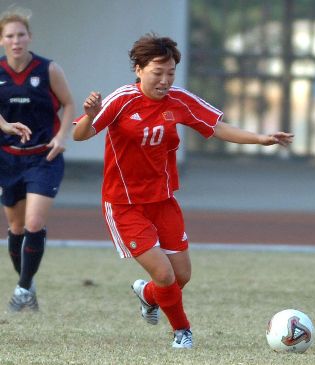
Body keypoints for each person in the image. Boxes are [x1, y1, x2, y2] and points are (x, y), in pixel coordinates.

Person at [73, 33, 293, 349]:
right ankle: (182, 332)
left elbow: (215, 127)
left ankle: (147, 294)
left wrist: (260, 139)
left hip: (163, 201)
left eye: (170, 73)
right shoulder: (121, 99)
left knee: (180, 277)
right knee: (164, 274)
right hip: (125, 204)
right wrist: (91, 115)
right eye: (157, 73)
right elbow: (81, 134)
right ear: (138, 69)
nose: (164, 80)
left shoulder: (179, 99)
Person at [0, 7, 75, 311]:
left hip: (45, 157)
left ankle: (20, 290)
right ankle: (28, 284)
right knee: (16, 229)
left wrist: (62, 137)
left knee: (33, 222)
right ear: (2, 40)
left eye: (21, 34)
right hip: (8, 159)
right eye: (9, 36)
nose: (16, 40)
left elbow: (69, 104)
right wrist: (4, 125)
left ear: (30, 37)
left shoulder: (48, 69)